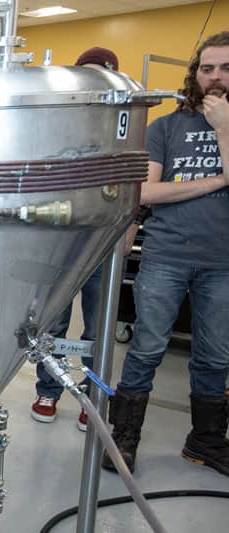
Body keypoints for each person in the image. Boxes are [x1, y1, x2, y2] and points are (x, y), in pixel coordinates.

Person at [102, 31, 229, 476]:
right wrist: (215, 181)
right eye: (207, 68)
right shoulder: (166, 127)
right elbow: (147, 191)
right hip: (167, 255)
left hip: (223, 264)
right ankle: (125, 438)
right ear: (195, 74)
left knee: (216, 356)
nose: (215, 77)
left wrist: (226, 130)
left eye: (226, 68)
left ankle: (206, 441)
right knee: (146, 348)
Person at [30, 48, 120, 431]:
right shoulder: (57, 127)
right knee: (53, 321)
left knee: (98, 325)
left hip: (102, 239)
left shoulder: (121, 127)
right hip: (59, 240)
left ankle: (91, 394)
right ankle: (48, 388)